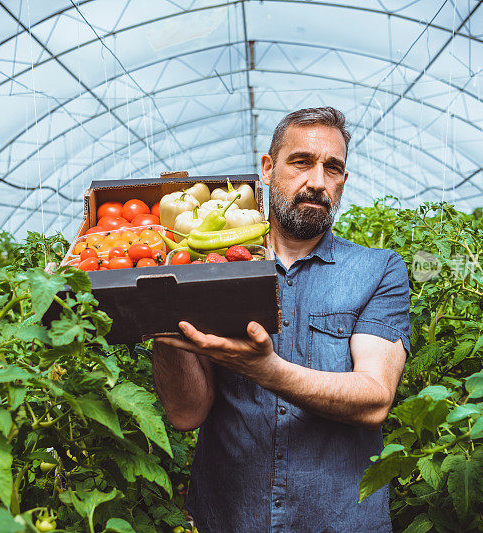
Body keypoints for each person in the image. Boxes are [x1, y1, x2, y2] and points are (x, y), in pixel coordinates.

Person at [153, 107, 411, 532]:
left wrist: (267, 371)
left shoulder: (377, 270)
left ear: (343, 181)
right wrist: (165, 318)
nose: (317, 181)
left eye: (333, 168)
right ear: (268, 170)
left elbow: (375, 397)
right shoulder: (210, 267)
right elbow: (185, 414)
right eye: (301, 162)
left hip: (340, 520)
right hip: (231, 518)